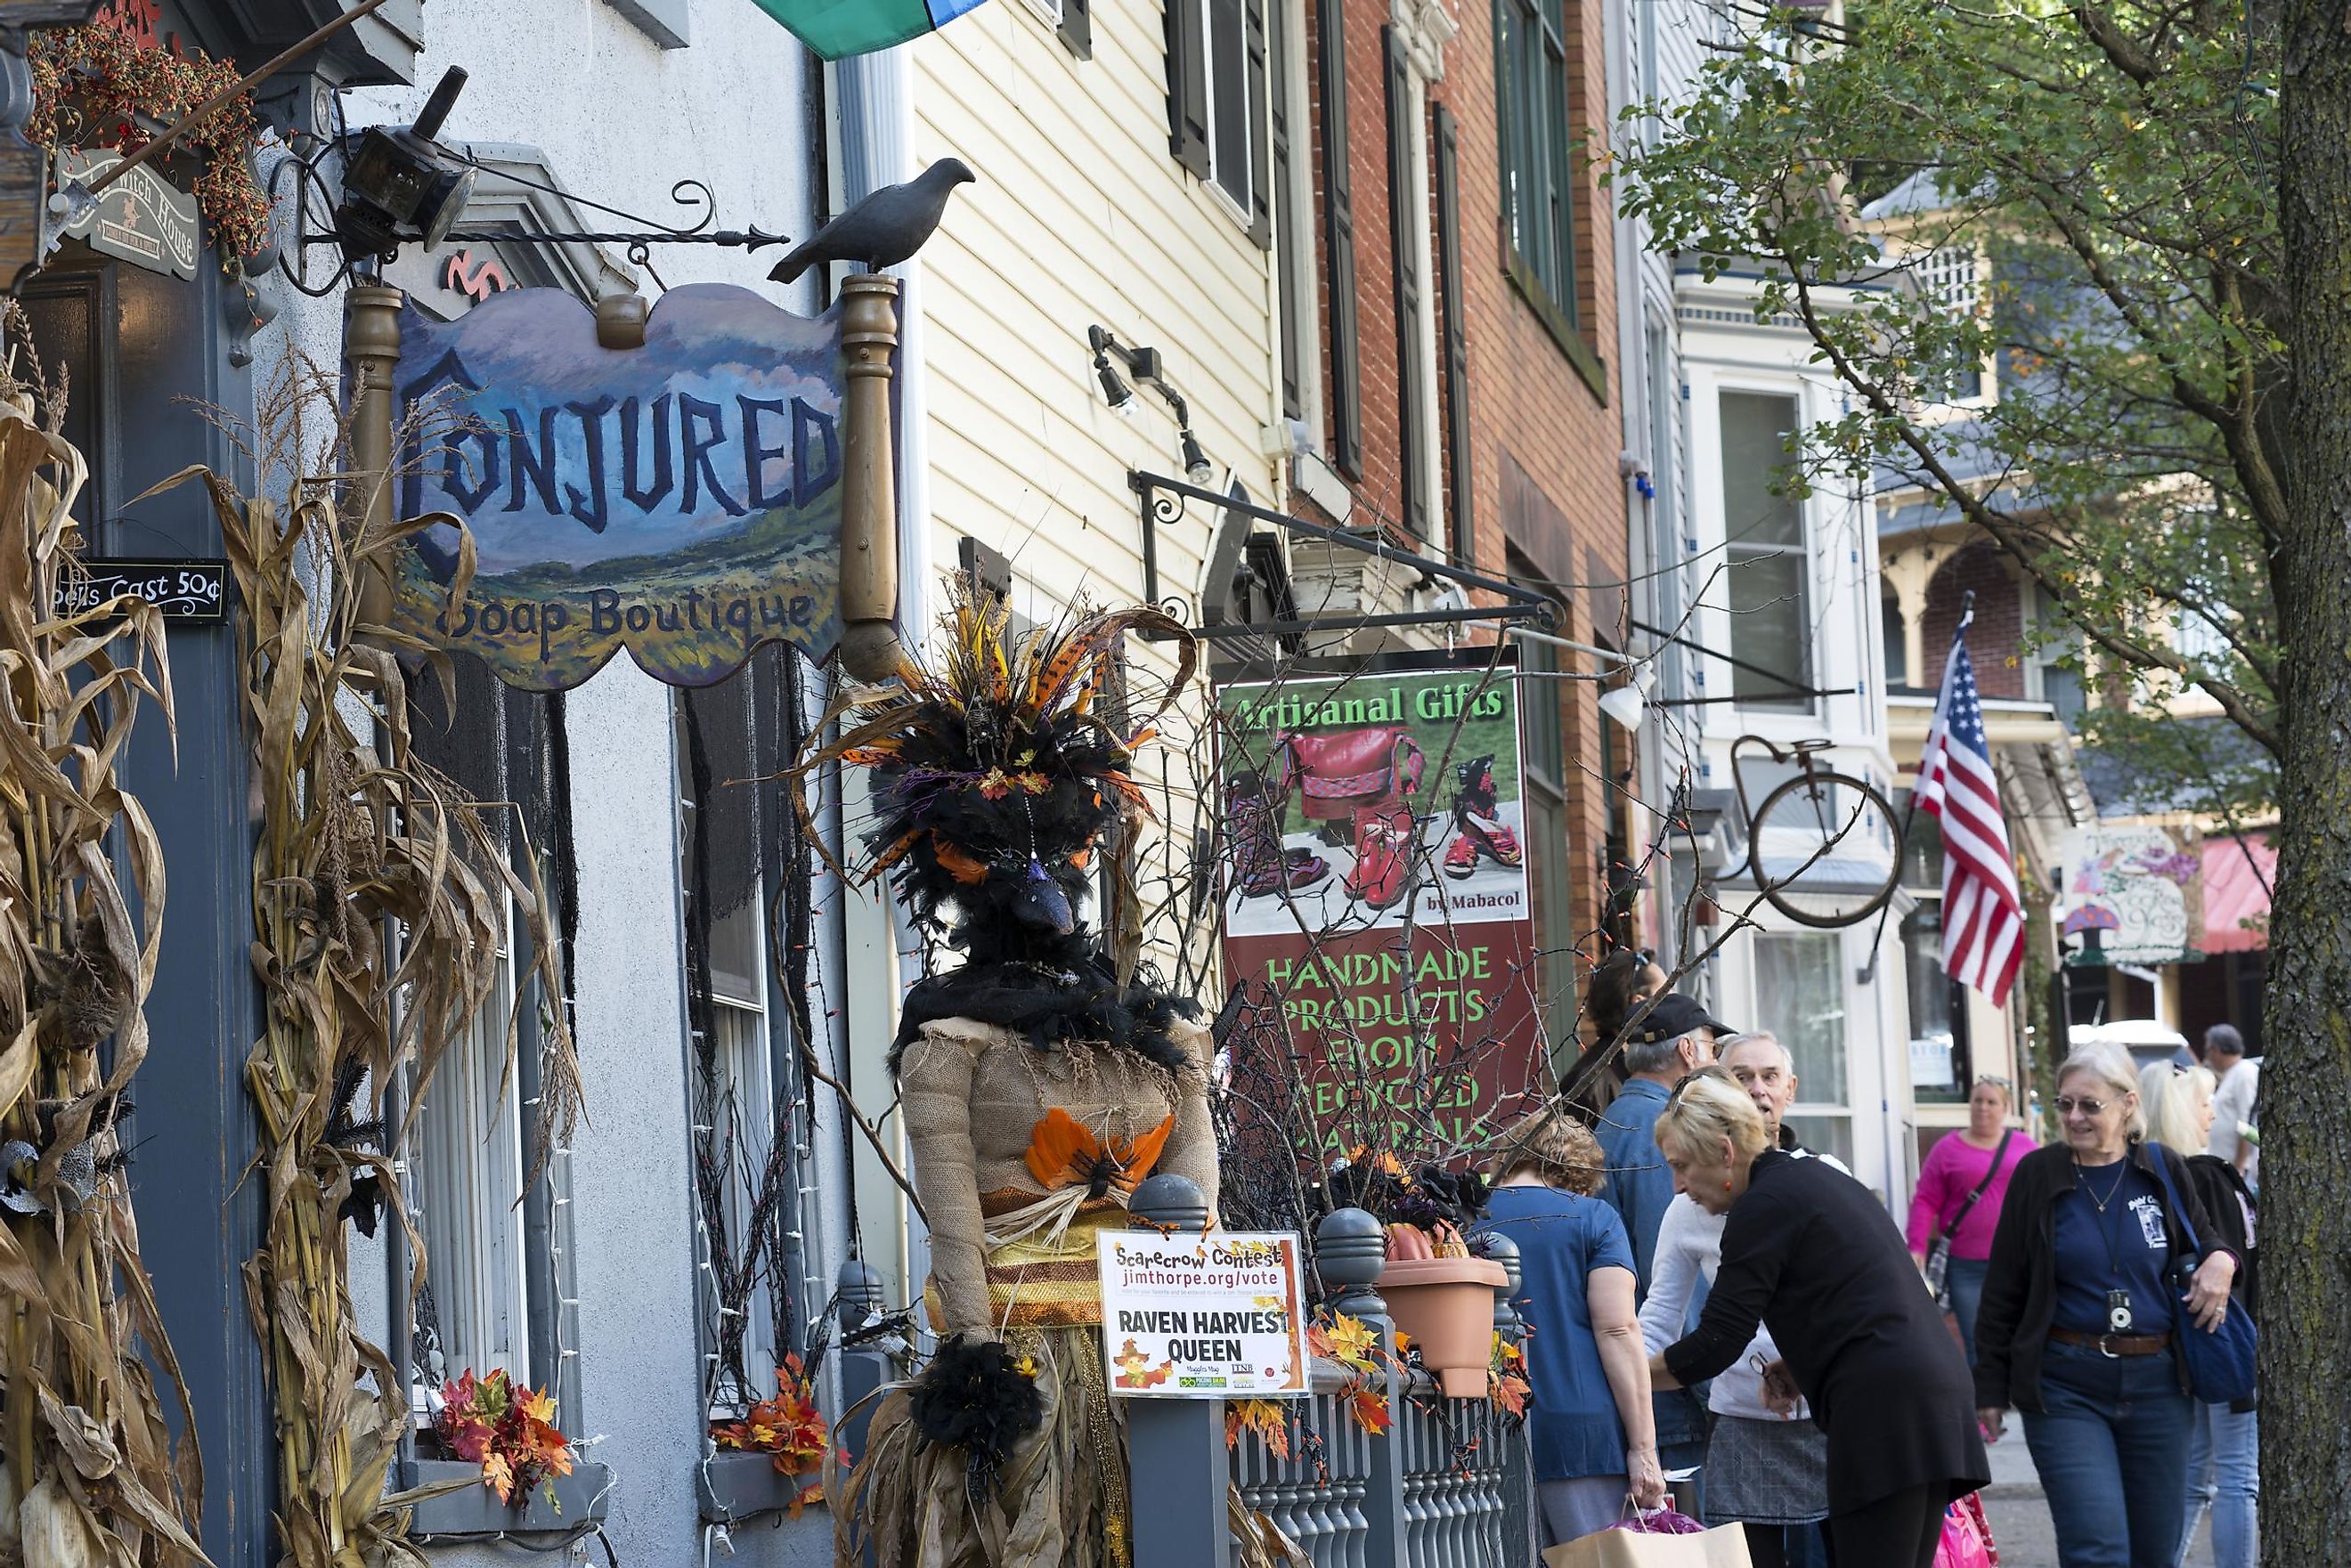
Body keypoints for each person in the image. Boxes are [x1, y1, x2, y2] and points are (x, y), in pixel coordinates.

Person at [1649, 1071, 1989, 1568]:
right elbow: (1863, 1296)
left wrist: (1624, 1376)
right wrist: (1797, 1362)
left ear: (1724, 1152)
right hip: (1932, 1396)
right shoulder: (1815, 1179)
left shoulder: (1760, 1206)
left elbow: (1717, 1342)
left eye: (1681, 1166)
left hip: (1884, 1409)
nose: (1679, 1185)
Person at [1973, 1045, 2240, 1568]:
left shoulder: (2162, 1169)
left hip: (2160, 1387)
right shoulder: (2037, 1174)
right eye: (2065, 1103)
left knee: (2154, 1552)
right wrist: (1990, 1386)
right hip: (2067, 1385)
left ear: (2127, 1104)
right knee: (2097, 1549)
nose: (2074, 1117)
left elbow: (2210, 1242)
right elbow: (2003, 1285)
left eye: (2089, 1106)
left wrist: (2224, 1262)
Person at [1639, 1036, 1836, 1568]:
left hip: (1826, 1409)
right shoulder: (1685, 1209)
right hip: (1741, 1412)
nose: (1756, 1091)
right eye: (1742, 1078)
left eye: (1768, 1077)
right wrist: (1626, 1390)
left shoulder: (1820, 1177)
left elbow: (1845, 1300)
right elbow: (1659, 1317)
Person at [1481, 1105, 1669, 1548]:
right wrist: (1644, 1448)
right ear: (1577, 1172)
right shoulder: (1593, 1218)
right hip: (1583, 1439)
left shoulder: (1464, 1221)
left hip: (1485, 1434)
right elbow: (1618, 1329)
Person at [2141, 1064, 2259, 1568]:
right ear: (2184, 1111)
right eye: (2205, 1103)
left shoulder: (2153, 1176)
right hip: (2223, 1337)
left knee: (2194, 1476)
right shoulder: (2208, 1175)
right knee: (2237, 1475)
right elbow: (2240, 1264)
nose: (2214, 1113)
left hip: (2183, 1341)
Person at [1596, 992, 1731, 1292]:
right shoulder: (1660, 1128)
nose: (1715, 1062)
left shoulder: (1619, 1118)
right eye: (1713, 1049)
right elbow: (1672, 1262)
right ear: (1687, 1050)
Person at [1907, 1076, 2035, 1362]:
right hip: (1966, 1266)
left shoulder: (2026, 1148)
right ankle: (1987, 1405)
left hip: (2016, 1262)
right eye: (1978, 1100)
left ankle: (2015, 1396)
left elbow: (2044, 1198)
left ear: (2005, 1107)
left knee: (2019, 1333)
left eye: (1992, 1102)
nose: (1983, 1108)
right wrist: (1916, 1245)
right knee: (1978, 1339)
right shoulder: (1947, 1149)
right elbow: (1926, 1200)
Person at [2203, 1026, 2259, 1187]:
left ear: (2217, 1050)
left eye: (2209, 1050)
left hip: (2237, 1168)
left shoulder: (2245, 1072)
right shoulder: (2232, 1073)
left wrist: (2240, 1166)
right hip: (2225, 1166)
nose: (2208, 1057)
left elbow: (2246, 1121)